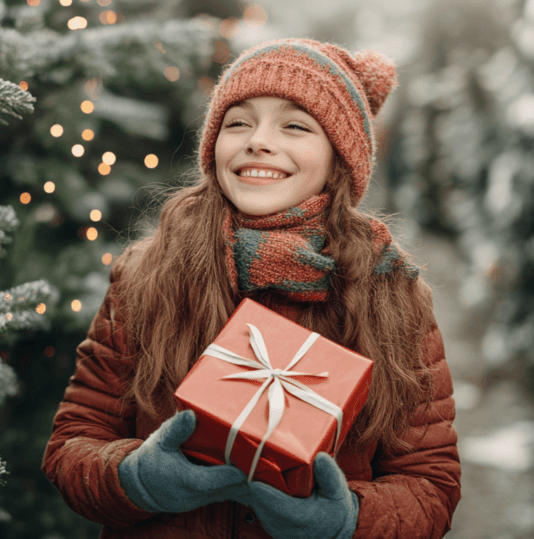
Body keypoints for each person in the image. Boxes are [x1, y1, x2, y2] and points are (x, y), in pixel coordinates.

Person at [41, 38, 462, 539]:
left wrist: (346, 519)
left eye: (295, 125)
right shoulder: (144, 276)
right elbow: (73, 443)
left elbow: (429, 483)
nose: (257, 141)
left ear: (339, 161)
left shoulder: (392, 296)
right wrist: (137, 479)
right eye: (238, 122)